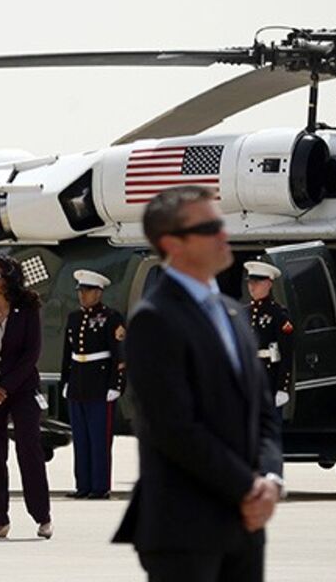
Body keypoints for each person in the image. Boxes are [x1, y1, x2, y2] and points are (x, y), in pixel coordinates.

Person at [113, 185, 284, 582]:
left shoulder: (233, 313)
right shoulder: (154, 319)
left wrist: (271, 479)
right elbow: (174, 428)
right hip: (185, 529)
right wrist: (248, 487)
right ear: (172, 243)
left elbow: (262, 413)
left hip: (244, 526)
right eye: (209, 228)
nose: (224, 234)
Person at [0, 253, 53, 539]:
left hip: (22, 390)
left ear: (7, 280)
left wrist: (5, 388)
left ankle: (42, 516)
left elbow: (31, 354)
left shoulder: (27, 311)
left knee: (29, 451)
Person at [60, 269, 126, 500]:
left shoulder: (111, 318)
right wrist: (66, 381)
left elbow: (119, 354)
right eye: (80, 291)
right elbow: (68, 354)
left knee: (99, 440)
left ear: (98, 293)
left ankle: (99, 486)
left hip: (100, 385)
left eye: (87, 291)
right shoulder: (74, 318)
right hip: (78, 383)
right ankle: (83, 485)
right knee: (81, 438)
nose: (82, 295)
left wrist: (116, 385)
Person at [244, 261, 294, 409]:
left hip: (269, 378)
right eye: (250, 282)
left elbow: (287, 353)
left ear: (268, 284)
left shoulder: (278, 314)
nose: (252, 287)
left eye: (257, 283)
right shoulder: (243, 313)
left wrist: (282, 387)